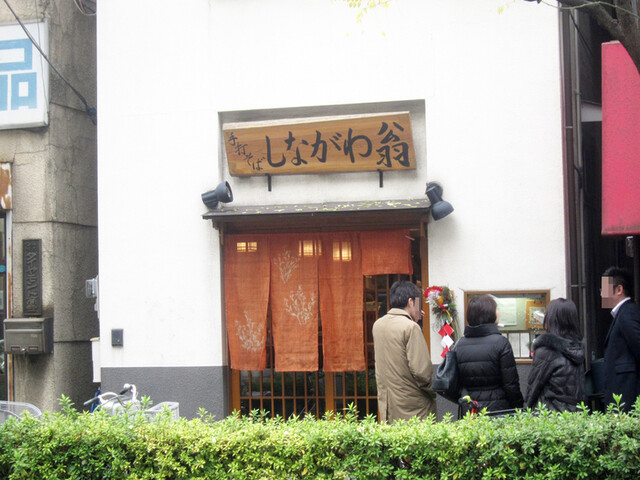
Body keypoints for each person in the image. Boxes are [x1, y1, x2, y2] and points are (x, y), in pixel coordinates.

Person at [372, 280, 436, 422]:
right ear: (410, 302)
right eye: (418, 304)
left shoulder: (378, 325)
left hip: (387, 403)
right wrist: (435, 390)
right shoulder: (411, 328)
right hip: (413, 406)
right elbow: (422, 372)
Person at [455, 294, 523, 413]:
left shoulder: (459, 345)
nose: (498, 312)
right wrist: (519, 407)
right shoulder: (501, 343)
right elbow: (511, 385)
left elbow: (456, 383)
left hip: (471, 410)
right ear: (489, 313)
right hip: (498, 410)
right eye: (496, 309)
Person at [525, 298, 585, 411]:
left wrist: (525, 410)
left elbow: (533, 388)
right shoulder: (577, 349)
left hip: (551, 414)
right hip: (576, 413)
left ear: (551, 320)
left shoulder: (546, 350)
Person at [601, 266, 640, 411]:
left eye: (604, 289)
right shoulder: (624, 313)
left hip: (627, 396)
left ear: (619, 290)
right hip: (623, 395)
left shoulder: (628, 313)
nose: (601, 294)